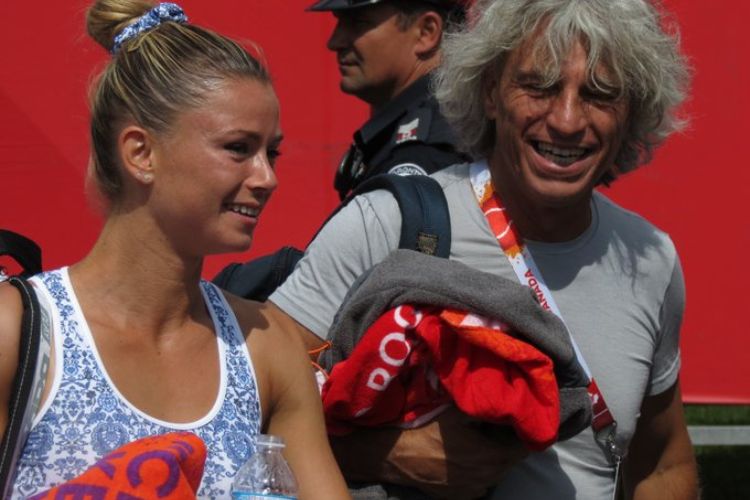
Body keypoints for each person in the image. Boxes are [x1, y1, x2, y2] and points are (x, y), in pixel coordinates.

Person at [268, 0, 700, 498]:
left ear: (633, 112)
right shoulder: (385, 225)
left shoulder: (650, 259)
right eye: (539, 85)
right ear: (491, 92)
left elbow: (663, 465)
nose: (565, 120)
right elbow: (248, 416)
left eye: (601, 95)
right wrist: (386, 454)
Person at [0, 1, 350, 499]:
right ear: (141, 153)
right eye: (237, 148)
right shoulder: (19, 332)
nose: (267, 178)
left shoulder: (267, 348)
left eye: (270, 152)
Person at [308, 0, 472, 200]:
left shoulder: (423, 152)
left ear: (426, 31)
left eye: (358, 23)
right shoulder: (440, 124)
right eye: (340, 23)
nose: (335, 42)